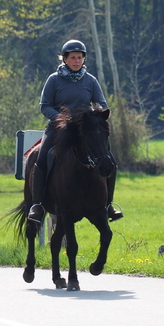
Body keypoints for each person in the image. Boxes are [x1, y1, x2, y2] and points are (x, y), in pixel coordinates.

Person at [27, 39, 123, 224]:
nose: (77, 61)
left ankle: (108, 204)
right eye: (73, 58)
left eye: (80, 57)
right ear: (65, 59)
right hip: (58, 128)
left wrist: (99, 110)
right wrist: (62, 120)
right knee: (42, 157)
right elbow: (44, 106)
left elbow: (101, 103)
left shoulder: (90, 80)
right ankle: (37, 205)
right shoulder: (54, 79)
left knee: (109, 158)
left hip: (85, 131)